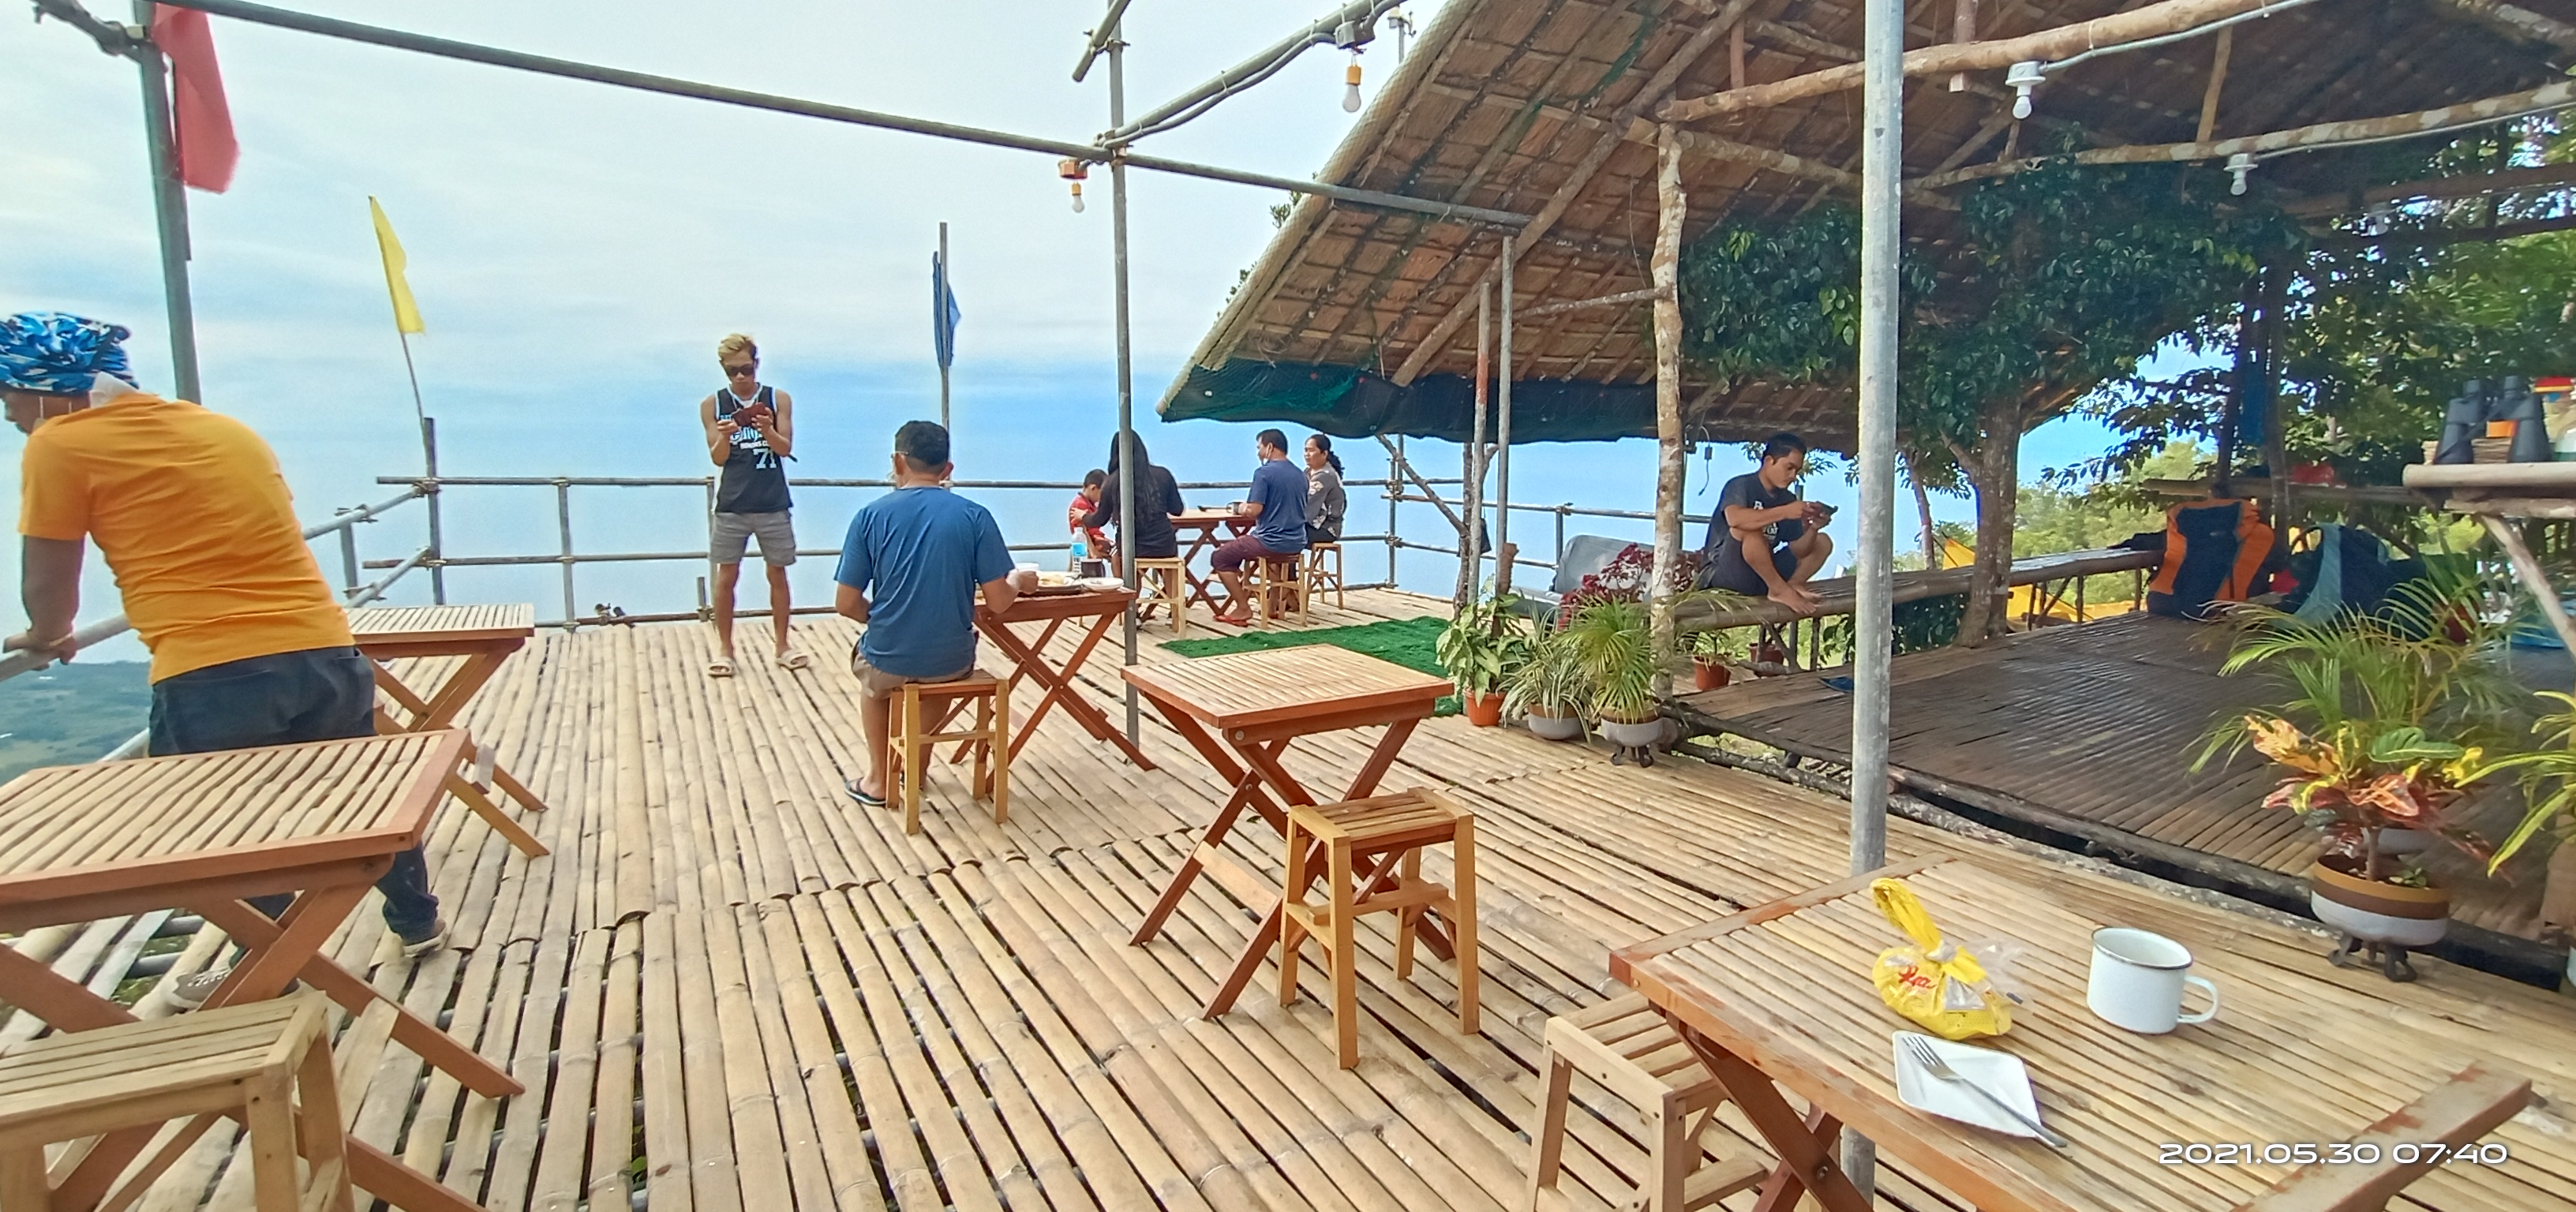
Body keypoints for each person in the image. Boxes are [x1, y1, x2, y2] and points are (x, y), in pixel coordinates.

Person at [0, 312, 444, 1005]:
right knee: (362, 797)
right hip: (324, 646)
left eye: (7, 398)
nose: (8, 416)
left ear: (44, 391)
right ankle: (417, 918)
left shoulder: (62, 443)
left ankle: (264, 968)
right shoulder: (222, 429)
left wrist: (45, 631)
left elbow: (52, 569)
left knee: (228, 831)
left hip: (210, 666)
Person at [833, 421, 1035, 807]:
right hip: (949, 658)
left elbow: (846, 603)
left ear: (898, 461)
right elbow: (998, 601)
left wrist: (879, 618)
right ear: (948, 470)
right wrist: (1018, 580)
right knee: (942, 673)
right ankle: (915, 766)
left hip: (889, 654)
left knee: (874, 681)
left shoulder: (869, 516)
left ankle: (879, 779)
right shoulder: (975, 516)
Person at [698, 332, 803, 678]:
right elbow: (718, 459)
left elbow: (784, 448)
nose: (740, 378)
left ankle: (782, 645)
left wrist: (768, 429)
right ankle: (725, 649)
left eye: (745, 369)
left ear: (756, 365)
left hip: (772, 502)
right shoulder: (712, 405)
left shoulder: (778, 399)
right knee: (726, 576)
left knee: (778, 573)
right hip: (732, 504)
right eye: (732, 372)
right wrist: (726, 435)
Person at [1697, 431, 1833, 613]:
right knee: (1748, 529)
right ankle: (1780, 590)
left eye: (1797, 471)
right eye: (1789, 468)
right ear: (1769, 461)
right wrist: (1784, 512)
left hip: (1763, 577)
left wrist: (1814, 528)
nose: (1793, 476)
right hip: (1725, 576)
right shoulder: (1740, 485)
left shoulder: (1788, 498)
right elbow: (1735, 518)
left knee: (1823, 541)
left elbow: (1799, 550)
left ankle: (1793, 585)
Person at [1210, 428, 1308, 625]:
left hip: (1270, 541)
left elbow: (1255, 510)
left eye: (1259, 447)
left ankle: (1243, 608)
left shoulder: (1264, 473)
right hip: (1297, 541)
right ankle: (1272, 606)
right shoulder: (1300, 475)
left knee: (1220, 557)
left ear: (1270, 447)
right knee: (1255, 556)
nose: (1258, 452)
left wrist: (1241, 508)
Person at [1303, 433, 1346, 546]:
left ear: (1324, 453)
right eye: (1306, 450)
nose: (1307, 454)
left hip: (1325, 528)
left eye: (1311, 451)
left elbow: (1308, 507)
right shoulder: (1307, 472)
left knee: (1286, 536)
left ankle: (1286, 563)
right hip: (1312, 525)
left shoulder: (1325, 476)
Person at [1067, 469, 1111, 573]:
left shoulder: (1088, 504)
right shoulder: (1080, 505)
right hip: (1088, 542)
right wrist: (1093, 551)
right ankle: (1121, 582)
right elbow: (1081, 530)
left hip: (1089, 541)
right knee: (1116, 554)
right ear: (1093, 488)